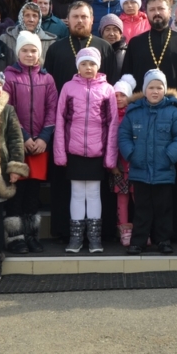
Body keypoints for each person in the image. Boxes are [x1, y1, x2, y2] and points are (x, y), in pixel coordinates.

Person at [122, 0, 177, 239]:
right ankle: (144, 234)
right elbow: (130, 81)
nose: (157, 13)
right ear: (147, 11)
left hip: (175, 117)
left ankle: (174, 233)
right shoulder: (136, 43)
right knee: (144, 185)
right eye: (152, 9)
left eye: (161, 8)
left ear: (170, 10)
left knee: (172, 178)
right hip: (143, 118)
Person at [42, 1, 118, 242]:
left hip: (98, 135)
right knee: (68, 188)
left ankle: (99, 235)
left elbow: (111, 89)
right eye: (75, 17)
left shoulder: (104, 47)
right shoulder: (56, 49)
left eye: (84, 16)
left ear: (92, 19)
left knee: (96, 190)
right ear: (68, 19)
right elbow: (50, 89)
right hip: (66, 131)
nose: (80, 21)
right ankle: (67, 233)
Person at [54, 48, 120, 254]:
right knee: (76, 193)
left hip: (97, 152)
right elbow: (59, 120)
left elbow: (113, 125)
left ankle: (94, 237)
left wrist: (110, 157)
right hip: (73, 151)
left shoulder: (107, 90)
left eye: (92, 64)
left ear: (98, 66)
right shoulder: (68, 87)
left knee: (93, 194)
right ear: (78, 67)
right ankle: (75, 238)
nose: (88, 68)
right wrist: (60, 152)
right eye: (84, 64)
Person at [118, 69, 177, 254]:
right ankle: (138, 241)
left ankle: (163, 240)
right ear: (145, 89)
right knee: (141, 209)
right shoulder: (133, 112)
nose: (155, 91)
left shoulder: (173, 112)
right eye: (151, 87)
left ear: (164, 90)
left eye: (159, 87)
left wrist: (169, 156)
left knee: (163, 208)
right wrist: (131, 154)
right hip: (139, 170)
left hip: (164, 170)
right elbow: (123, 136)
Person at [1, 32, 57, 254]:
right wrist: (24, 137)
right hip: (17, 143)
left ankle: (32, 234)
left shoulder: (47, 78)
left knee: (33, 192)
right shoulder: (9, 76)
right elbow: (8, 109)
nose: (29, 54)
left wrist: (44, 137)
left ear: (39, 53)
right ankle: (15, 237)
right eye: (25, 50)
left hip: (40, 145)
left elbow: (53, 109)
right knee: (17, 190)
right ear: (18, 52)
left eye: (33, 50)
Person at [110, 76, 137, 246]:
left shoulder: (135, 115)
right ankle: (124, 231)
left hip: (135, 165)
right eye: (116, 95)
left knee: (138, 198)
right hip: (118, 165)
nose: (119, 99)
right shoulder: (109, 116)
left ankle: (140, 229)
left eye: (123, 95)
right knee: (122, 199)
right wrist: (111, 165)